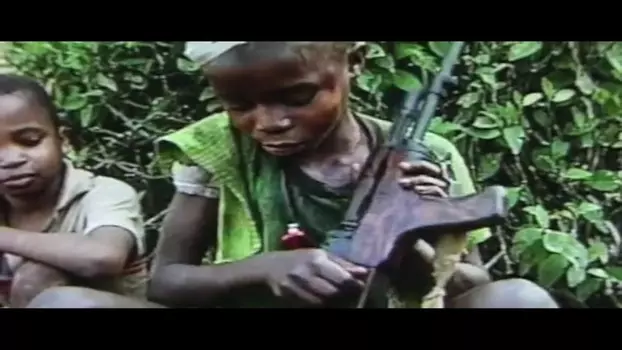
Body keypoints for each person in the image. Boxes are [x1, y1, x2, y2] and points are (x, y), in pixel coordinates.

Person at [32, 41, 558, 308]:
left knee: (519, 299)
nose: (269, 123)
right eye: (239, 104)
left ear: (355, 63)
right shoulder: (217, 148)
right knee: (63, 304)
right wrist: (262, 269)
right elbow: (167, 282)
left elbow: (474, 283)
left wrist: (409, 236)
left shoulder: (427, 156)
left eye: (297, 97)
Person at [0, 74, 153, 308]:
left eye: (30, 141)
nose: (11, 160)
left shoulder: (103, 193)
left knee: (42, 282)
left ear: (63, 140)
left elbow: (103, 257)